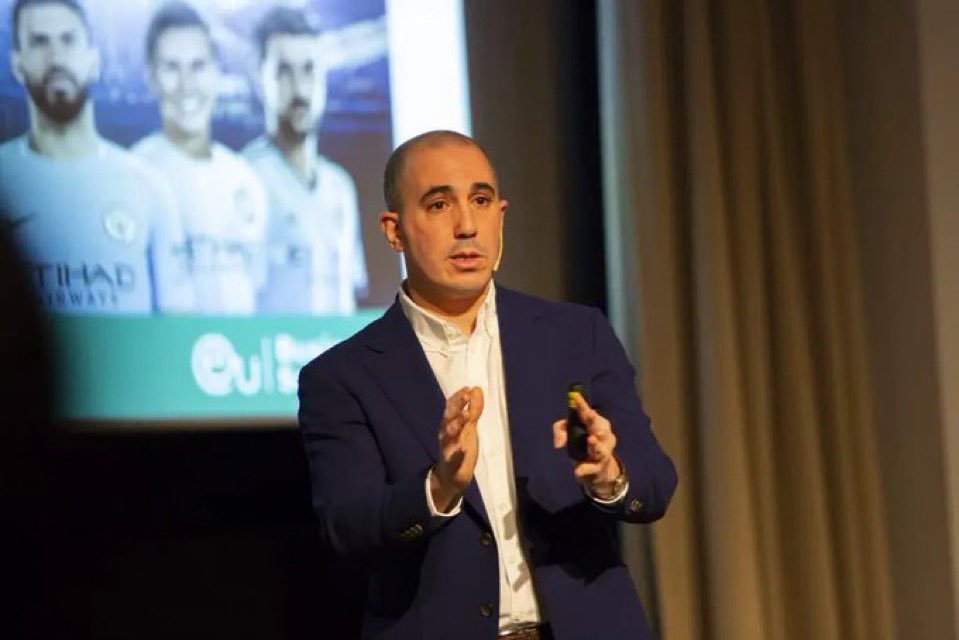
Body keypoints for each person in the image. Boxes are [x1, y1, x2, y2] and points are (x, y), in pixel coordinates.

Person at [298, 130, 677, 639]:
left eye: (480, 201)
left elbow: (655, 483)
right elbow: (347, 530)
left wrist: (610, 476)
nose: (467, 226)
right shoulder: (342, 375)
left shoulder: (575, 334)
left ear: (501, 215)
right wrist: (439, 487)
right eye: (439, 205)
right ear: (394, 231)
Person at [0, 0, 194, 315]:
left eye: (68, 40)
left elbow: (177, 320)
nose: (56, 58)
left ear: (94, 59)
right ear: (17, 64)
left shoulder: (147, 184)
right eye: (39, 42)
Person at [133, 1, 268, 315]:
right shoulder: (135, 175)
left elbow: (257, 291)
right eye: (171, 67)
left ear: (217, 73)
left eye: (198, 66)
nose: (187, 85)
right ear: (150, 76)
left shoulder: (244, 177)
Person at [244, 6, 367, 316]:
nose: (299, 88)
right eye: (284, 72)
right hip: (270, 346)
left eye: (309, 70)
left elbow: (350, 297)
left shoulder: (340, 186)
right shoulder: (244, 179)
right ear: (260, 79)